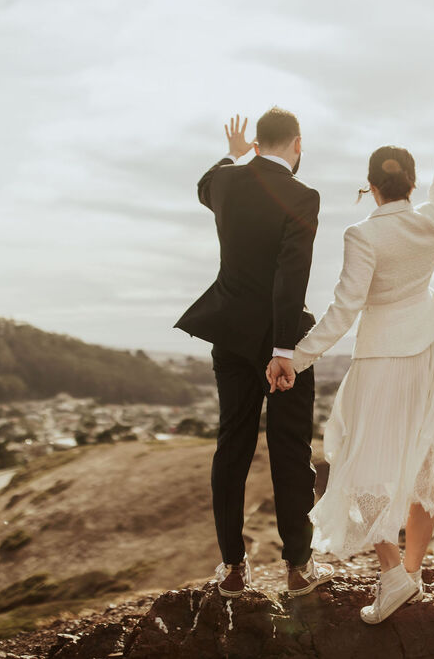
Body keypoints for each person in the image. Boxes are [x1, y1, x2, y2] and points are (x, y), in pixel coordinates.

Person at [268, 103, 434, 623]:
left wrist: (296, 358)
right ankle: (412, 575)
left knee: (364, 466)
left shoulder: (363, 235)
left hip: (382, 359)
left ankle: (395, 576)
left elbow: (344, 309)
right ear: (410, 184)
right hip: (429, 349)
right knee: (421, 461)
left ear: (371, 187)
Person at [175, 107, 335, 598]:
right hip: (281, 343)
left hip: (229, 334)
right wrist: (283, 348)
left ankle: (232, 566)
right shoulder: (302, 196)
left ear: (257, 144)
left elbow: (204, 184)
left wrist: (232, 153)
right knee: (290, 451)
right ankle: (298, 567)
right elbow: (292, 273)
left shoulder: (225, 182)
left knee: (232, 447)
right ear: (298, 144)